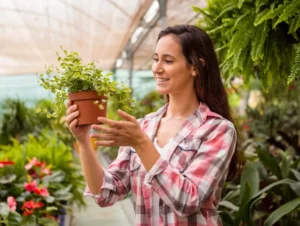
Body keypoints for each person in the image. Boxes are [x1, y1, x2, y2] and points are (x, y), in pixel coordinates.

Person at [66, 24, 239, 226]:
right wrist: (84, 143)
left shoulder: (217, 130)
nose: (156, 68)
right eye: (156, 59)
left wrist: (141, 144)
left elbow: (188, 200)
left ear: (195, 67)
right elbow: (105, 193)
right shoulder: (144, 126)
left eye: (168, 60)